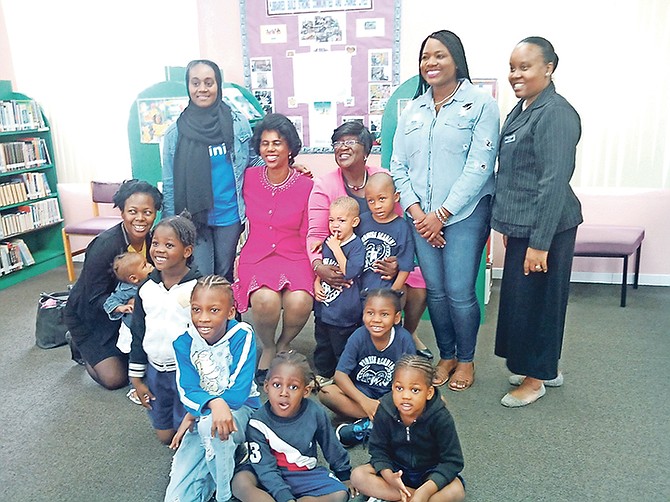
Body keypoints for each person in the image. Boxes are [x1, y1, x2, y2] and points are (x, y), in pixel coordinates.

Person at [390, 29, 500, 391]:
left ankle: (466, 359)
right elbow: (398, 166)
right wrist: (418, 211)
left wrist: (443, 213)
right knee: (434, 291)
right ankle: (447, 354)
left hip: (465, 215)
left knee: (459, 291)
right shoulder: (414, 110)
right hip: (421, 216)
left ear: (456, 59)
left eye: (439, 55)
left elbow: (481, 165)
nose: (431, 63)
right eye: (425, 57)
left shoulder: (481, 103)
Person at [492, 36, 582, 408]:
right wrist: (513, 231)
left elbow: (552, 182)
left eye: (525, 67)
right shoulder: (524, 108)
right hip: (525, 226)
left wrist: (539, 243)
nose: (516, 74)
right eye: (512, 67)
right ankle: (544, 366)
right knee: (523, 301)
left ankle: (535, 379)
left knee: (539, 304)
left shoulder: (556, 113)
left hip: (548, 228)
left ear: (549, 68)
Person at [308, 121, 432, 359]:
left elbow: (397, 226)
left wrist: (395, 263)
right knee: (346, 293)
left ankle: (405, 335)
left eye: (350, 142)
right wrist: (318, 268)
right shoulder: (325, 184)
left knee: (417, 286)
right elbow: (317, 236)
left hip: (385, 261)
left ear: (366, 150)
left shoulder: (383, 178)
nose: (342, 147)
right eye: (338, 143)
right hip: (345, 260)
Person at [233, 113, 314, 384]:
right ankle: (268, 346)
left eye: (277, 143)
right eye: (265, 143)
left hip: (294, 254)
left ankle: (284, 343)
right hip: (257, 255)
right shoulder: (248, 177)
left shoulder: (306, 185)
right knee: (265, 300)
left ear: (290, 147)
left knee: (300, 300)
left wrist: (313, 264)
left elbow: (307, 231)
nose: (270, 149)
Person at [165, 275, 261, 502]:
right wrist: (204, 408)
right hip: (205, 415)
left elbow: (238, 393)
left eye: (214, 310)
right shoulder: (183, 343)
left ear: (230, 312)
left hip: (242, 412)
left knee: (212, 428)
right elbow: (187, 391)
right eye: (197, 310)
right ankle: (227, 461)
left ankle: (225, 495)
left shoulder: (242, 335)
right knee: (176, 498)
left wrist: (204, 407)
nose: (203, 318)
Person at [63, 179, 163, 390]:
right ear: (122, 213)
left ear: (155, 214)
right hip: (90, 315)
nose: (140, 219)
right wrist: (122, 306)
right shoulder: (105, 246)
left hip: (127, 313)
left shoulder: (153, 241)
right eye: (132, 211)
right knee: (115, 379)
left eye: (147, 212)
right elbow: (93, 297)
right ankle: (79, 345)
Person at [161, 59, 255, 281]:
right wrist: (169, 224)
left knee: (225, 276)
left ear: (218, 85)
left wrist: (288, 166)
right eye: (195, 83)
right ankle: (203, 317)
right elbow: (169, 183)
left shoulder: (237, 123)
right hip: (192, 218)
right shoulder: (176, 133)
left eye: (208, 82)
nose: (202, 89)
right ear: (188, 87)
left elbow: (252, 163)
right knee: (200, 276)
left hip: (229, 216)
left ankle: (228, 316)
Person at [351, 354, 465, 502]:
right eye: (399, 388)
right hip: (396, 469)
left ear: (429, 393)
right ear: (392, 388)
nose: (405, 396)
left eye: (415, 390)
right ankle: (412, 498)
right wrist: (388, 476)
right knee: (358, 476)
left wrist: (426, 491)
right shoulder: (384, 410)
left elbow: (452, 461)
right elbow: (378, 451)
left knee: (457, 490)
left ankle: (398, 497)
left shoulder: (440, 417)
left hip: (429, 473)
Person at [129, 213, 201, 444]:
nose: (159, 250)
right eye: (156, 243)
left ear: (187, 251)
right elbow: (138, 333)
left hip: (187, 372)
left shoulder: (199, 287)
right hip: (156, 372)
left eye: (169, 245)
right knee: (164, 436)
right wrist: (137, 380)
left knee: (188, 436)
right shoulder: (146, 288)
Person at [246, 351, 353, 502]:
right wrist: (284, 497)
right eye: (277, 385)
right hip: (268, 477)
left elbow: (331, 446)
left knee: (340, 493)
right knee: (241, 481)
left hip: (304, 475)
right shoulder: (257, 422)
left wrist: (344, 474)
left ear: (306, 391)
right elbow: (265, 468)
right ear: (266, 386)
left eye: (293, 387)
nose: (284, 393)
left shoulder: (315, 413)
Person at [318, 289, 416, 447]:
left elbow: (409, 382)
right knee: (327, 393)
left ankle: (367, 425)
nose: (376, 320)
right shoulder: (358, 336)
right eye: (370, 313)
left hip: (392, 398)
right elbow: (340, 375)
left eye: (384, 314)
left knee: (433, 401)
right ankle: (385, 423)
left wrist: (389, 402)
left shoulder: (404, 340)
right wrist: (365, 402)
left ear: (396, 317)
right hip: (361, 394)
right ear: (363, 314)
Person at [313, 196, 365, 385]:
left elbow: (350, 271)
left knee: (340, 346)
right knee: (323, 342)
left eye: (341, 221)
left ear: (354, 222)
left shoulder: (356, 245)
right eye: (331, 220)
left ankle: (342, 378)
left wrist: (336, 249)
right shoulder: (330, 242)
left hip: (344, 311)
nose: (335, 225)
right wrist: (317, 283)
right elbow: (325, 265)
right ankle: (324, 373)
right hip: (325, 306)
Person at [358, 172, 415, 293]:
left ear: (396, 197)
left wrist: (393, 292)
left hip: (384, 290)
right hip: (358, 289)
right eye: (371, 201)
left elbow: (405, 266)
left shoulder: (402, 227)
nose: (377, 206)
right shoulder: (362, 221)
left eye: (382, 199)